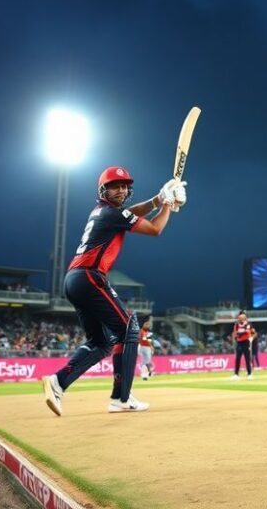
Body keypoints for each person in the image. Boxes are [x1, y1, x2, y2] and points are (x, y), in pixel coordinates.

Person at [42, 166, 186, 415]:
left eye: (124, 185)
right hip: (89, 275)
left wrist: (158, 198)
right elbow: (155, 229)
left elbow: (130, 212)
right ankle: (122, 397)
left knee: (100, 343)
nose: (121, 189)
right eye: (115, 185)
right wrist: (168, 204)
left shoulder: (103, 212)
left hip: (75, 279)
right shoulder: (111, 213)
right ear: (103, 190)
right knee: (130, 327)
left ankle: (58, 381)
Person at [230, 310, 253, 380]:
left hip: (246, 341)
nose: (242, 317)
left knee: (247, 358)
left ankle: (249, 374)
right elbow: (235, 333)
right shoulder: (236, 324)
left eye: (243, 315)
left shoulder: (248, 323)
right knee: (238, 358)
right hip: (239, 342)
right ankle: (236, 374)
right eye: (241, 315)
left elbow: (246, 330)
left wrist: (239, 333)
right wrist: (236, 337)